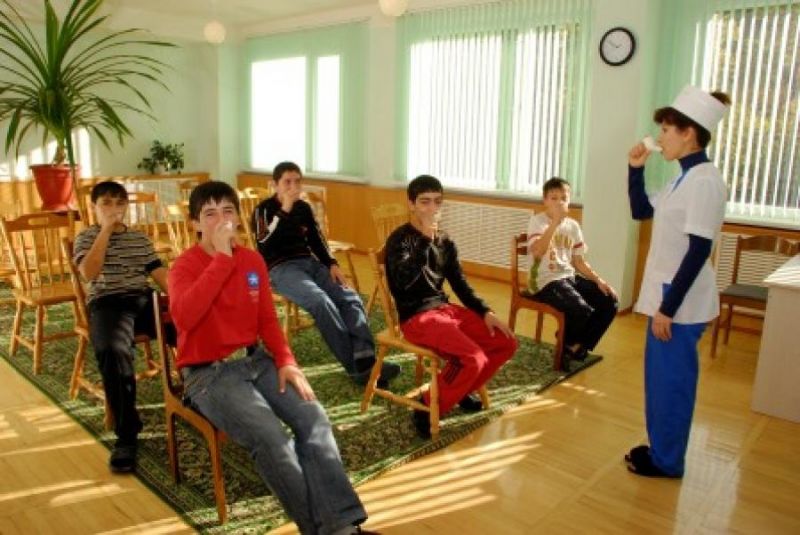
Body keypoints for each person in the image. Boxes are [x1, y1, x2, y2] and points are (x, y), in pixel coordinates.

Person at [169, 181, 372, 535]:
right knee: (272, 439)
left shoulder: (252, 261)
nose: (221, 220)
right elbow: (185, 318)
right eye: (210, 214)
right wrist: (221, 260)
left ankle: (340, 526)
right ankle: (326, 530)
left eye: (228, 211)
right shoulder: (184, 267)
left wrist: (286, 361)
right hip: (208, 374)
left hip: (256, 361)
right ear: (195, 224)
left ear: (238, 218)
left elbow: (266, 320)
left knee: (314, 419)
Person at [625, 85, 731, 478]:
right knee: (660, 381)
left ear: (688, 133)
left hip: (678, 302)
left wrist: (668, 308)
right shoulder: (682, 178)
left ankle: (667, 461)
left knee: (672, 385)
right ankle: (661, 450)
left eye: (667, 130)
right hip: (668, 297)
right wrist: (635, 169)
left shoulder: (704, 181)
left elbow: (699, 250)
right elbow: (641, 211)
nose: (661, 138)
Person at [384, 175, 518, 439]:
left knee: (506, 342)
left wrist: (485, 311)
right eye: (425, 202)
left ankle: (460, 389)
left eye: (437, 202)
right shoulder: (399, 240)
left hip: (444, 310)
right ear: (411, 204)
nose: (432, 208)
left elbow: (460, 284)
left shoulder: (445, 241)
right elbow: (402, 282)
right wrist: (425, 239)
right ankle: (427, 405)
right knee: (473, 358)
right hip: (416, 317)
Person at [252, 161, 399, 387]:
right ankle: (356, 368)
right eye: (287, 182)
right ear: (275, 184)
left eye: (297, 181)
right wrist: (285, 209)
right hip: (280, 269)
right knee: (320, 302)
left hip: (309, 262)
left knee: (350, 297)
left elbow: (316, 239)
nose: (293, 186)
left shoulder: (303, 208)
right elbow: (263, 244)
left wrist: (331, 263)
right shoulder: (263, 209)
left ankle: (365, 359)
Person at [73, 180, 169, 473]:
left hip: (142, 298)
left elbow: (160, 275)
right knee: (112, 350)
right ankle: (127, 434)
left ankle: (199, 396)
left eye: (119, 203)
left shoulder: (139, 239)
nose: (114, 209)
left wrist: (186, 297)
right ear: (94, 207)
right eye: (106, 203)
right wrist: (105, 230)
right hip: (108, 302)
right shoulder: (85, 237)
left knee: (192, 323)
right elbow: (89, 273)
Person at [526, 177, 618, 368]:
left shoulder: (573, 226)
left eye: (564, 198)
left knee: (609, 301)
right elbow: (538, 251)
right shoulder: (538, 221)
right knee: (581, 310)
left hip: (567, 277)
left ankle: (575, 345)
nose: (559, 203)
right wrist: (555, 223)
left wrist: (599, 280)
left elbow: (579, 262)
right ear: (545, 200)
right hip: (544, 281)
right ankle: (566, 346)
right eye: (554, 198)